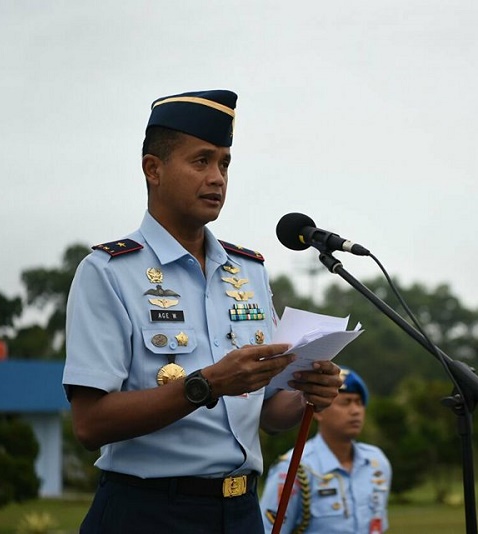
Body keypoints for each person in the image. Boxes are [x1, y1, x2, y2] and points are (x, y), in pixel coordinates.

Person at [62, 89, 343, 534]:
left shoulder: (248, 272)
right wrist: (207, 385)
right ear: (153, 169)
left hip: (240, 512)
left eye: (224, 164)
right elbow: (90, 424)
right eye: (201, 161)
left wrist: (307, 392)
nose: (217, 178)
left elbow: (269, 413)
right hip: (148, 512)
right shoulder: (109, 273)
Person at [261, 367, 392, 534]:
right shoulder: (294, 469)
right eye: (346, 402)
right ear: (318, 411)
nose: (355, 411)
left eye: (359, 402)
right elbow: (270, 529)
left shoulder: (377, 463)